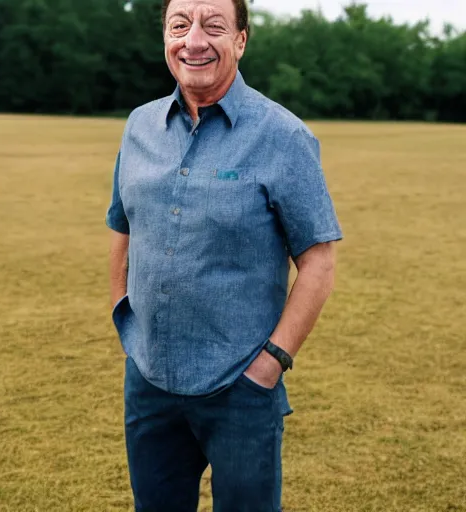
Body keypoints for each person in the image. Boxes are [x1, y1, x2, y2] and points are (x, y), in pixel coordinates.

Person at [106, 0, 342, 510]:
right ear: (166, 37)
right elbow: (122, 226)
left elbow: (319, 260)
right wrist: (124, 319)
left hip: (241, 389)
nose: (193, 40)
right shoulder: (139, 126)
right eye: (179, 25)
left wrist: (270, 365)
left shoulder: (283, 137)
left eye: (213, 26)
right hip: (148, 382)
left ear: (240, 39)